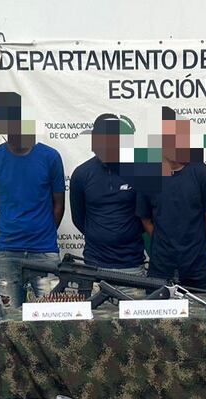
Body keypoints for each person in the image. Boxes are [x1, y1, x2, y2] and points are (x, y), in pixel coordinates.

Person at [0, 91, 66, 309]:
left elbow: (59, 205)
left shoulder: (50, 157)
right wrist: (11, 229)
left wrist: (42, 231)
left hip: (45, 252)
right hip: (7, 253)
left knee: (52, 320)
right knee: (10, 319)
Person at [136, 108, 206, 288]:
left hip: (197, 268)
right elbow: (145, 218)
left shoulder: (201, 172)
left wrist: (192, 240)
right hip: (161, 268)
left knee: (201, 316)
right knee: (159, 316)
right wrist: (163, 240)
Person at [70, 114, 145, 284]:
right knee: (97, 312)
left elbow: (145, 216)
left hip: (131, 265)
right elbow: (79, 219)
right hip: (94, 265)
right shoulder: (81, 174)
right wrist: (100, 235)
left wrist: (126, 235)